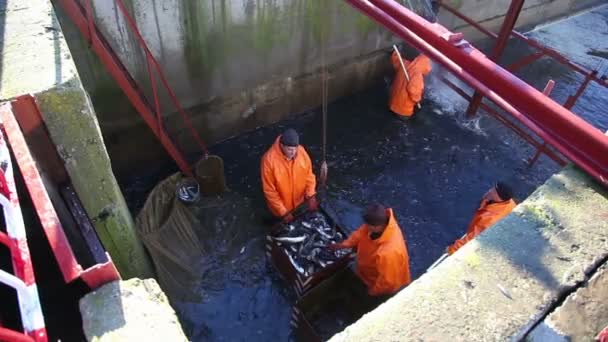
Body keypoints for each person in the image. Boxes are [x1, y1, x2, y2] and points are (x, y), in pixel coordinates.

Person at [329, 203, 411, 296]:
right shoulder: (381, 222)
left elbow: (389, 283)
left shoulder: (388, 253)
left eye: (368, 225)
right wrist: (344, 245)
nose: (365, 226)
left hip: (377, 281)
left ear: (375, 226)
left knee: (369, 296)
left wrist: (372, 291)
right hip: (366, 269)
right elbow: (360, 233)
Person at [261, 128, 317, 223]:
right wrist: (283, 212)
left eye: (295, 148)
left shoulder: (302, 152)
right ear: (282, 146)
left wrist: (311, 195)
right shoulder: (268, 161)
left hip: (299, 204)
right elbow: (269, 191)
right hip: (280, 210)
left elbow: (309, 176)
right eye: (290, 149)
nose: (293, 152)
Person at [447, 182, 517, 255]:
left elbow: (472, 238)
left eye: (494, 192)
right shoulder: (510, 203)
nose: (490, 190)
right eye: (493, 188)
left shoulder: (488, 220)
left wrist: (452, 249)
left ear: (499, 197)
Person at [389, 50, 432, 118]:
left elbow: (397, 60)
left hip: (393, 103)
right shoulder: (417, 74)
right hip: (403, 110)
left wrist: (394, 53)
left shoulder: (405, 64)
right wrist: (417, 100)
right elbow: (414, 90)